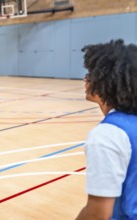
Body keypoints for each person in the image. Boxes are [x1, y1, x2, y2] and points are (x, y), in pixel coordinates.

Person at [76, 39, 137, 219]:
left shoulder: (108, 134)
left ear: (105, 81)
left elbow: (98, 213)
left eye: (90, 74)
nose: (85, 79)